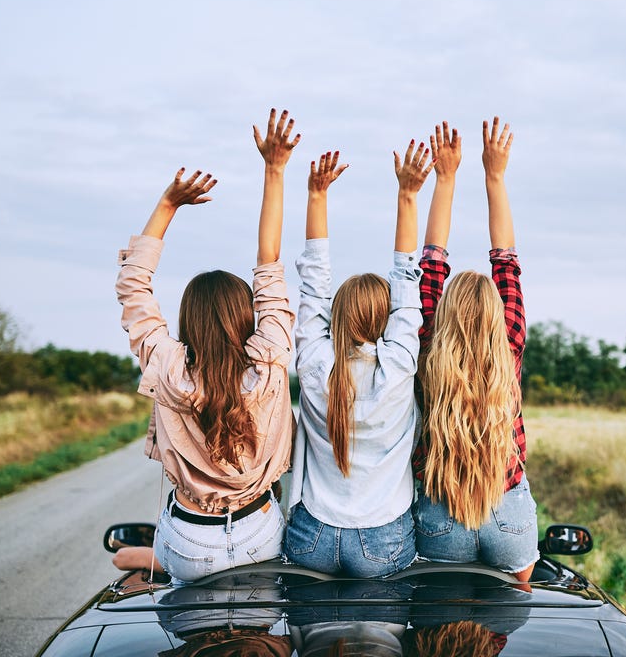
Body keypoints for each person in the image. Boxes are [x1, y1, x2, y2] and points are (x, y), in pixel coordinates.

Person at [114, 108, 300, 584]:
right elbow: (270, 266)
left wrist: (168, 204)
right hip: (262, 536)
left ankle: (145, 560)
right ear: (248, 316)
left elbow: (134, 285)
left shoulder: (168, 366)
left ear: (187, 320)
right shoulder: (269, 360)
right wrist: (275, 170)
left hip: (191, 541)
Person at [283, 139, 433, 577]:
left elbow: (312, 287)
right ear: (387, 322)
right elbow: (407, 282)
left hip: (312, 534)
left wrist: (316, 195)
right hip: (381, 539)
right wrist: (408, 194)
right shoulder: (401, 367)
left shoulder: (314, 366)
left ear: (337, 319)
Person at [412, 118, 538, 582]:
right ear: (496, 312)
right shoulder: (509, 341)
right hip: (507, 513)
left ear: (442, 314)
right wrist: (495, 176)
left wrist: (444, 178)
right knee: (510, 612)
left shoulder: (427, 343)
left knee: (438, 615)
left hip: (442, 516)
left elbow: (431, 259)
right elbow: (506, 258)